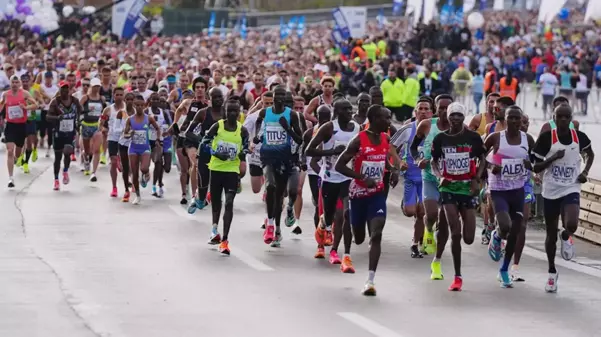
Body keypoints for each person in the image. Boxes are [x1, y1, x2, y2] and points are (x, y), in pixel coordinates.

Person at [334, 105, 401, 296]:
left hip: (377, 194)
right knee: (359, 237)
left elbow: (384, 160)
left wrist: (393, 171)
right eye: (385, 118)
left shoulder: (386, 139)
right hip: (358, 195)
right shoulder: (358, 140)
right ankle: (347, 243)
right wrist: (362, 177)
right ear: (373, 119)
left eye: (390, 118)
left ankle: (370, 281)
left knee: (377, 233)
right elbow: (339, 165)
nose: (389, 122)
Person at [531, 104, 594, 293]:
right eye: (560, 117)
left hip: (571, 186)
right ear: (554, 117)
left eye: (567, 117)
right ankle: (552, 273)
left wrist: (585, 171)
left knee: (572, 224)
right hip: (551, 189)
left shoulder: (579, 137)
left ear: (571, 118)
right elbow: (536, 167)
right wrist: (553, 158)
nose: (564, 120)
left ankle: (566, 235)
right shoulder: (546, 138)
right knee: (550, 235)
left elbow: (590, 155)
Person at [430, 102, 485, 291]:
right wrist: (441, 176)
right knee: (456, 233)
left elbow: (483, 158)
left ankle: (442, 262)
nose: (455, 119)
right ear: (447, 117)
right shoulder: (440, 139)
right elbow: (433, 162)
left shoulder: (473, 137)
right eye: (452, 115)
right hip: (448, 190)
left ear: (464, 118)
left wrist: (477, 179)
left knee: (469, 238)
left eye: (459, 116)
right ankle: (457, 277)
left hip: (466, 189)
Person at [483, 106, 535, 288]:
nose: (514, 121)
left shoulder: (527, 139)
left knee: (517, 228)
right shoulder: (495, 137)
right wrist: (490, 167)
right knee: (505, 226)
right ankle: (497, 236)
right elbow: (481, 157)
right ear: (504, 119)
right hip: (499, 189)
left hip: (518, 189)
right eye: (510, 118)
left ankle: (504, 269)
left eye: (517, 118)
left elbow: (534, 159)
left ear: (521, 120)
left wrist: (532, 166)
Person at [305, 99, 359, 269]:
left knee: (346, 214)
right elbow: (309, 150)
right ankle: (323, 224)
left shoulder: (356, 128)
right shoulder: (329, 127)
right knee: (329, 216)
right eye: (345, 109)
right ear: (337, 111)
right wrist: (331, 151)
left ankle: (343, 254)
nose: (350, 112)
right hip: (330, 178)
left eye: (351, 109)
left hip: (347, 178)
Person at [254, 85, 303, 246]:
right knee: (270, 187)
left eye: (283, 96)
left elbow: (299, 139)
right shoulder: (264, 113)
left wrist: (287, 128)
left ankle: (278, 228)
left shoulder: (292, 115)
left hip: (285, 159)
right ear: (273, 97)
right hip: (268, 157)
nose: (280, 99)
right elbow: (259, 127)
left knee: (280, 195)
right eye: (277, 95)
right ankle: (269, 224)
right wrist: (257, 137)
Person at [200, 99, 249, 254]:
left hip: (232, 171)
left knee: (229, 203)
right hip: (215, 169)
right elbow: (204, 144)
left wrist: (243, 153)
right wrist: (216, 153)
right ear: (225, 112)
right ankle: (214, 229)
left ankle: (225, 240)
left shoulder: (242, 130)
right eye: (230, 111)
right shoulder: (218, 126)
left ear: (239, 113)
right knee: (216, 203)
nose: (233, 114)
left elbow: (246, 148)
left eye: (236, 111)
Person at [410, 94, 453, 258]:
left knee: (446, 219)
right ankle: (428, 230)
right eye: (441, 107)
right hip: (429, 176)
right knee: (432, 214)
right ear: (435, 109)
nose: (444, 111)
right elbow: (414, 148)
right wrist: (418, 159)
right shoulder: (427, 125)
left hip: (451, 179)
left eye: (447, 108)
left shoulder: (458, 128)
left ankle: (438, 246)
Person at [391, 97, 433, 257]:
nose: (423, 112)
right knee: (411, 211)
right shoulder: (408, 129)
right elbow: (391, 146)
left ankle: (416, 244)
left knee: (422, 213)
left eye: (426, 109)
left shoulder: (435, 130)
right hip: (410, 177)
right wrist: (399, 162)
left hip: (428, 178)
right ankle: (407, 204)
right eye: (420, 109)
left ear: (431, 112)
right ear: (415, 112)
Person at [168, 77, 208, 206]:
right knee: (189, 167)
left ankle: (199, 194)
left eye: (202, 87)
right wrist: (175, 123)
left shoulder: (209, 105)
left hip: (200, 139)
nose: (200, 90)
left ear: (206, 89)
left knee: (197, 166)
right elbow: (178, 110)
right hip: (185, 137)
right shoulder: (187, 103)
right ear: (194, 89)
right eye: (197, 87)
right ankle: (188, 194)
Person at [185, 87, 225, 214]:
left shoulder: (226, 113)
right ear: (209, 98)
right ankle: (198, 198)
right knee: (203, 185)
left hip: (221, 154)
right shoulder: (203, 113)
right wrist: (202, 141)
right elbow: (188, 132)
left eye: (220, 97)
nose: (218, 99)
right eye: (215, 97)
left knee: (218, 183)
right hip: (205, 153)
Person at [300, 104, 332, 250]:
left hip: (330, 172)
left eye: (327, 117)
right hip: (315, 171)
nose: (324, 120)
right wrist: (302, 161)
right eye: (321, 117)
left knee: (330, 205)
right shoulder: (310, 132)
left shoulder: (333, 130)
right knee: (318, 205)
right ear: (317, 117)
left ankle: (329, 231)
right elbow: (304, 149)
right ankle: (320, 239)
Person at [122, 94, 162, 205]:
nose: (139, 107)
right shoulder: (130, 120)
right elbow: (125, 134)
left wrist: (158, 139)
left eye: (141, 105)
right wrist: (130, 133)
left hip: (145, 147)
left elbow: (158, 129)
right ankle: (138, 195)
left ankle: (146, 174)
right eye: (137, 105)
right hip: (133, 148)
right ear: (134, 106)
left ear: (144, 106)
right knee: (134, 173)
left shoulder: (148, 118)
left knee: (144, 168)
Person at [0, 75, 38, 188]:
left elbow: (35, 105)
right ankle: (11, 178)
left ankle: (17, 159)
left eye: (17, 82)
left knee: (17, 153)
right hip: (10, 126)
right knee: (10, 151)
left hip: (21, 126)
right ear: (10, 83)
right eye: (13, 82)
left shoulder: (25, 94)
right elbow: (1, 106)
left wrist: (26, 108)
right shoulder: (5, 94)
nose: (15, 84)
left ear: (19, 83)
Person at [45, 81, 82, 191]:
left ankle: (65, 170)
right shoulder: (55, 102)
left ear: (70, 90)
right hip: (58, 132)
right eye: (63, 89)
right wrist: (57, 118)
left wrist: (78, 122)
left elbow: (81, 112)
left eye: (67, 89)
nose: (65, 91)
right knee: (58, 157)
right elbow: (48, 116)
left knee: (68, 152)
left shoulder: (75, 101)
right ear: (60, 90)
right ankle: (56, 180)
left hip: (70, 132)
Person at [100, 87, 126, 198]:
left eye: (121, 95)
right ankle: (114, 187)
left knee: (127, 164)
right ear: (113, 96)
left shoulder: (126, 109)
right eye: (117, 95)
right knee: (113, 162)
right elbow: (101, 122)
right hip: (112, 138)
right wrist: (103, 129)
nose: (119, 97)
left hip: (124, 138)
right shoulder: (108, 110)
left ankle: (129, 184)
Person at [79, 78, 107, 180]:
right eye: (94, 86)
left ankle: (94, 172)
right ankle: (86, 159)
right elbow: (77, 108)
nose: (96, 88)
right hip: (86, 125)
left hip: (97, 126)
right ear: (91, 86)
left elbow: (105, 112)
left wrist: (103, 124)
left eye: (98, 86)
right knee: (87, 151)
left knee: (96, 150)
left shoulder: (102, 99)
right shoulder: (85, 98)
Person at [146, 93, 172, 198]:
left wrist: (169, 132)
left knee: (160, 164)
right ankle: (154, 184)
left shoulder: (164, 113)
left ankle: (158, 184)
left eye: (159, 100)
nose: (157, 102)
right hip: (148, 141)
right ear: (150, 100)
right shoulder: (146, 111)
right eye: (154, 99)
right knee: (154, 164)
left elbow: (171, 126)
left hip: (160, 141)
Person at [117, 93, 136, 202]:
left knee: (133, 166)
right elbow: (116, 128)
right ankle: (126, 190)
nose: (129, 101)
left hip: (134, 143)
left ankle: (134, 183)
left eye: (131, 99)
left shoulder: (137, 113)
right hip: (123, 142)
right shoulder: (121, 113)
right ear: (124, 100)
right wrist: (125, 131)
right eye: (127, 99)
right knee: (125, 167)